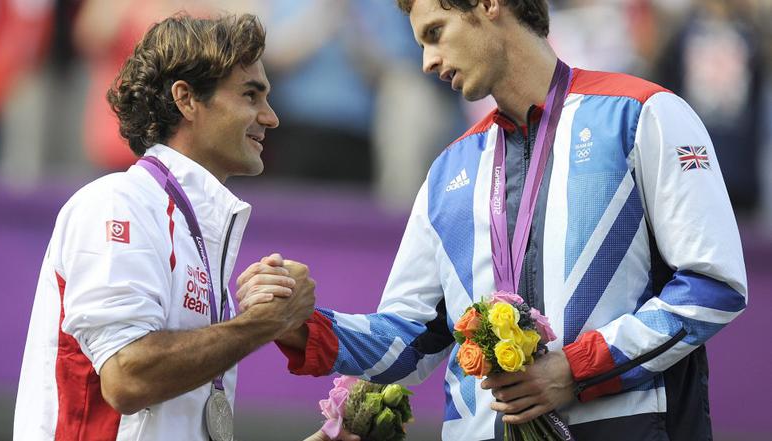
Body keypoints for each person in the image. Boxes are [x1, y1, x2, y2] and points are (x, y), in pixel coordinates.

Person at [242, 1, 748, 440]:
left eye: (435, 33)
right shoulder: (448, 170)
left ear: (488, 5)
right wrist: (298, 325)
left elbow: (712, 283)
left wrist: (576, 370)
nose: (427, 61)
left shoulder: (642, 113)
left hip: (620, 427)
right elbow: (408, 339)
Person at [13, 13, 316, 441]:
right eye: (251, 95)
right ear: (186, 99)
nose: (271, 117)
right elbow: (127, 376)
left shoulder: (198, 235)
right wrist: (264, 323)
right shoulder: (118, 203)